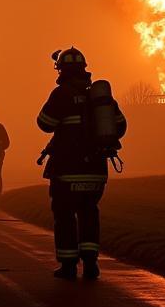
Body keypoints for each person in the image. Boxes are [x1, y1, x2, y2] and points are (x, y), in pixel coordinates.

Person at [36, 47, 126, 280]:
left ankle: (68, 266)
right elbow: (121, 126)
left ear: (61, 70)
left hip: (67, 170)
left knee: (65, 216)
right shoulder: (99, 97)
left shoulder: (61, 94)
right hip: (95, 171)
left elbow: (44, 123)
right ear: (84, 68)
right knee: (89, 214)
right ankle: (91, 264)